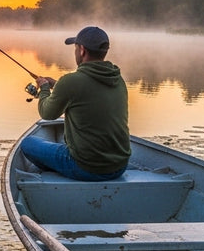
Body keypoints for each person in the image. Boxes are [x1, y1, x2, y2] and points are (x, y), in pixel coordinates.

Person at [20, 26, 130, 181]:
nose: (75, 52)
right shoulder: (118, 80)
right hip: (119, 166)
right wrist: (57, 85)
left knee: (28, 144)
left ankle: (59, 170)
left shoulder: (71, 81)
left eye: (75, 48)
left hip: (85, 167)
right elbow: (89, 93)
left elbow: (47, 114)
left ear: (82, 50)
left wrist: (44, 87)